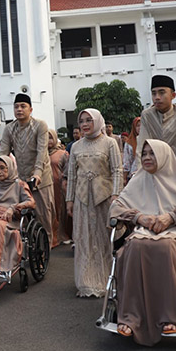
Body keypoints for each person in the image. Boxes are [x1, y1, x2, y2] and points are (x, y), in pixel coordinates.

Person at [109, 140, 176, 345]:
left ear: (163, 156)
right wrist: (139, 218)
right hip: (143, 230)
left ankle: (172, 318)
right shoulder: (138, 179)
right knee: (134, 247)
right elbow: (115, 208)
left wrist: (171, 217)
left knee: (165, 248)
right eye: (144, 154)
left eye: (152, 154)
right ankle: (130, 317)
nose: (146, 157)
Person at [65, 109, 123, 297]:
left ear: (98, 121)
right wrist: (69, 199)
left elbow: (117, 171)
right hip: (82, 199)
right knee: (84, 239)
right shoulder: (76, 146)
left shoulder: (110, 143)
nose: (84, 124)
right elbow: (72, 175)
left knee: (104, 239)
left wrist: (116, 195)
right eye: (81, 121)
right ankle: (86, 282)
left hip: (104, 198)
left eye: (89, 120)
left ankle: (107, 278)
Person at [0, 93, 56, 247]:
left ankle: (46, 250)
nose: (19, 109)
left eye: (23, 106)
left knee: (44, 217)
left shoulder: (40, 125)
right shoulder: (9, 128)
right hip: (22, 180)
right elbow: (3, 153)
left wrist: (37, 173)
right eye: (16, 106)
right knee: (22, 217)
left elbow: (42, 151)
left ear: (30, 109)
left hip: (41, 179)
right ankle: (28, 248)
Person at [138, 75, 176, 181]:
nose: (157, 97)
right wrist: (140, 170)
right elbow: (142, 145)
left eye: (162, 93)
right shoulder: (147, 115)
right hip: (155, 172)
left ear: (173, 95)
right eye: (154, 93)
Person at [48, 129, 70, 245]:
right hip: (45, 186)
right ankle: (51, 236)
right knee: (49, 210)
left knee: (60, 210)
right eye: (46, 137)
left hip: (59, 186)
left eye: (51, 137)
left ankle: (62, 235)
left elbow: (68, 170)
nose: (48, 141)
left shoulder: (63, 154)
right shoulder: (41, 153)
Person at [122, 117, 141, 182]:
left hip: (147, 174)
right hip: (133, 175)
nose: (140, 128)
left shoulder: (149, 140)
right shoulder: (129, 143)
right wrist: (124, 177)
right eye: (138, 126)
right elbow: (127, 161)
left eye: (142, 125)